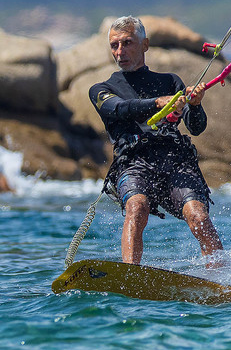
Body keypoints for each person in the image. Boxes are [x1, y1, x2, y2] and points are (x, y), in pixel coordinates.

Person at [89, 16, 223, 266]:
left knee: (198, 215)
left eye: (127, 43)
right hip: (133, 163)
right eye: (114, 45)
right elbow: (120, 109)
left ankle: (221, 275)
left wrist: (195, 105)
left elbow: (196, 127)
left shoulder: (170, 82)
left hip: (176, 161)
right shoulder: (101, 89)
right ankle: (130, 273)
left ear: (145, 45)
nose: (120, 52)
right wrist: (157, 103)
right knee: (137, 207)